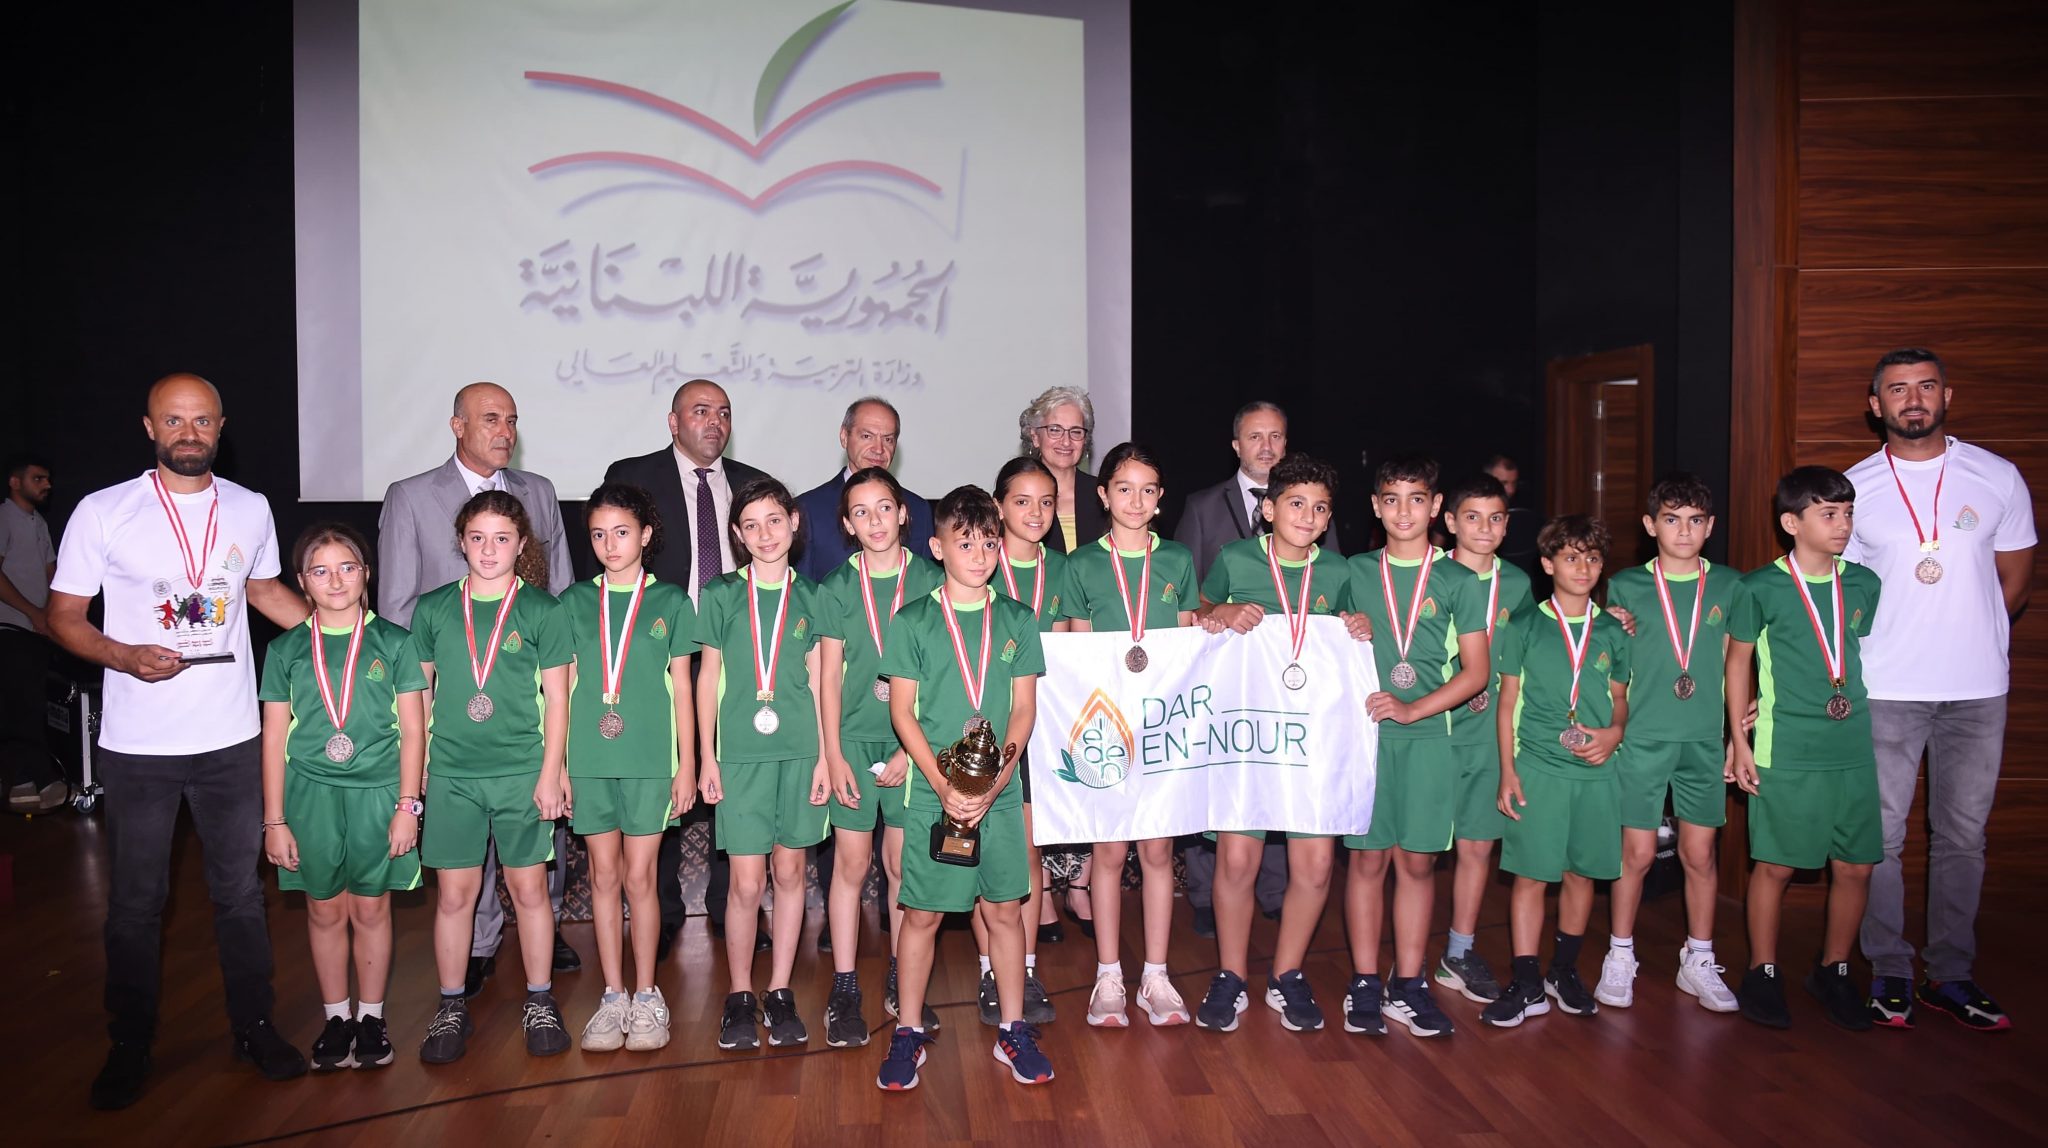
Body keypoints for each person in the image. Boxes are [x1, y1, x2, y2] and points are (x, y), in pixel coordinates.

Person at [48, 373, 313, 1109]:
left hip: (232, 738)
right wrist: (124, 655)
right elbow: (63, 616)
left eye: (201, 421)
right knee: (136, 902)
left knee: (241, 895)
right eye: (173, 420)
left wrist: (348, 639)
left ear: (221, 427)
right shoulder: (104, 511)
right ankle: (130, 1041)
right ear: (149, 427)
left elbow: (263, 591)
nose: (188, 433)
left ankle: (253, 1026)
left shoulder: (250, 507)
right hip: (139, 745)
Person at [1846, 348, 2033, 1032]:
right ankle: (1890, 970)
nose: (1914, 399)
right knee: (1883, 837)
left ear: (1947, 395)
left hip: (1977, 690)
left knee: (1963, 837)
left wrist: (1972, 634)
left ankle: (1951, 974)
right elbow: (1837, 596)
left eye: (1926, 386)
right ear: (1877, 406)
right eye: (1898, 389)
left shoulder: (1997, 476)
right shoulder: (1854, 487)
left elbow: (2015, 579)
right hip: (1887, 687)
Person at [377, 382, 579, 990]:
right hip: (452, 697)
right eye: (490, 419)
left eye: (511, 420)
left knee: (537, 840)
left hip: (526, 692)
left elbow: (561, 591)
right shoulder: (412, 496)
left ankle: (544, 932)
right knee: (462, 865)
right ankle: (481, 941)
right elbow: (396, 607)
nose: (505, 431)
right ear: (456, 425)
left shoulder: (539, 492)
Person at [876, 485, 1051, 1090]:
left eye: (989, 543)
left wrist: (995, 783)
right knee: (921, 915)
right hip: (933, 794)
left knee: (1004, 911)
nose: (979, 556)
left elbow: (1023, 710)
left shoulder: (1018, 619)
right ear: (937, 547)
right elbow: (902, 713)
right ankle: (907, 1031)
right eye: (966, 543)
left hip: (997, 794)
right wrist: (943, 783)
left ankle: (1013, 1028)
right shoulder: (913, 620)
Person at [1193, 452, 1364, 1035]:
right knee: (1237, 860)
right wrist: (1219, 611)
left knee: (1315, 867)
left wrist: (1360, 627)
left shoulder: (1338, 572)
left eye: (1320, 508)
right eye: (1295, 504)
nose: (1307, 517)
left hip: (1313, 742)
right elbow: (1196, 611)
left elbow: (1351, 643)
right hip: (1248, 736)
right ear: (1267, 509)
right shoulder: (1235, 558)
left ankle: (1287, 973)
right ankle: (1231, 974)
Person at [604, 378, 770, 955]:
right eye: (700, 411)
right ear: (673, 422)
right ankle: (665, 909)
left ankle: (732, 905)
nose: (714, 422)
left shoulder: (751, 481)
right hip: (660, 652)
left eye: (723, 412)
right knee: (667, 774)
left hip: (742, 656)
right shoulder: (633, 475)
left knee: (734, 776)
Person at [409, 491, 575, 1063]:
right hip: (453, 774)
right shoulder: (433, 609)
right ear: (460, 540)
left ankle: (540, 998)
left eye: (502, 539)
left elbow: (559, 700)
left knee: (529, 890)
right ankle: (451, 1005)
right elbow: (419, 695)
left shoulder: (542, 610)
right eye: (477, 537)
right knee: (455, 895)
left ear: (521, 544)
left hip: (521, 772)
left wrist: (552, 773)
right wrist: (420, 767)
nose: (488, 549)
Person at [257, 523, 426, 1071]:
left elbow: (414, 732)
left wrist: (408, 806)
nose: (336, 580)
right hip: (310, 795)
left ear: (366, 574)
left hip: (379, 793)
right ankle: (336, 1018)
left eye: (347, 567)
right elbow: (274, 738)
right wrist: (274, 821)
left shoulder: (395, 643)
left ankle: (371, 1017)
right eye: (321, 571)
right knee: (324, 907)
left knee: (372, 906)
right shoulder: (285, 649)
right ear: (302, 582)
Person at [1727, 466, 1883, 1032]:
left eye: (1848, 513)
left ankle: (1834, 970)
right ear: (1791, 523)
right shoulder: (1759, 588)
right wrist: (1739, 740)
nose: (1843, 524)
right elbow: (1737, 663)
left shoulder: (1863, 583)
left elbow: (1859, 653)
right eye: (1828, 514)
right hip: (1786, 747)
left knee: (1856, 865)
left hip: (1852, 744)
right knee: (1775, 864)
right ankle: (1762, 971)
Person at [1174, 402, 1338, 934]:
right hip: (1233, 691)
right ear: (1236, 445)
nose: (1266, 446)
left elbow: (1333, 606)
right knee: (1227, 806)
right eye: (1254, 436)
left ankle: (1274, 892)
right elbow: (1191, 595)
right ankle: (1206, 896)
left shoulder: (1323, 534)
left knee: (1284, 794)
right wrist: (1217, 611)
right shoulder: (1203, 508)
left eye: (1276, 436)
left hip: (1298, 698)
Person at [1343, 457, 1489, 1038]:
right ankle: (1363, 982)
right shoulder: (1354, 571)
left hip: (1429, 738)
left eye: (1417, 498)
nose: (1404, 511)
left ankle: (1408, 983)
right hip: (1364, 737)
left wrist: (1412, 708)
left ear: (1436, 506)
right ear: (1375, 506)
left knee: (1417, 863)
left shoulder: (1459, 580)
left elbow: (1476, 672)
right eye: (1391, 499)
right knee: (1367, 860)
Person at [1060, 444, 1199, 1029]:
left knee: (1158, 851)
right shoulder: (1081, 565)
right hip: (1107, 729)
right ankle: (1109, 974)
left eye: (1147, 490)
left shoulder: (1179, 560)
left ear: (1160, 498)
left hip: (1164, 725)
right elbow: (1076, 652)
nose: (1135, 501)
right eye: (1123, 488)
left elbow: (1188, 648)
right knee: (1110, 852)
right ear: (1103, 495)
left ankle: (1157, 975)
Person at [1595, 475, 1744, 1013]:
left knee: (1699, 854)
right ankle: (1620, 954)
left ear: (1711, 526)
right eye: (1672, 519)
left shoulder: (1730, 585)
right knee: (1635, 854)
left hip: (1702, 739)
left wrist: (1737, 736)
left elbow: (1736, 662)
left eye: (1696, 520)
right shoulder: (1625, 585)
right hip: (1642, 736)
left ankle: (1698, 958)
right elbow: (1608, 660)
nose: (1685, 531)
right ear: (1650, 525)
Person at [560, 484, 699, 1053]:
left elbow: (683, 690)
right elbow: (564, 687)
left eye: (621, 532)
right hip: (589, 759)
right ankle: (612, 994)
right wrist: (559, 766)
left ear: (645, 535)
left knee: (641, 878)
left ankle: (647, 994)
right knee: (602, 876)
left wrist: (687, 764)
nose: (610, 544)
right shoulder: (573, 602)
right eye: (598, 535)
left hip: (650, 760)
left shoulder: (671, 602)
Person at [694, 476, 830, 1051]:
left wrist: (826, 757)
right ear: (736, 534)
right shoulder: (722, 593)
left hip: (799, 753)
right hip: (741, 756)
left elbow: (823, 683)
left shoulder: (816, 596)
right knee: (747, 883)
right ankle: (739, 995)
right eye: (750, 525)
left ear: (794, 522)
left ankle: (780, 991)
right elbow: (706, 678)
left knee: (792, 873)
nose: (765, 534)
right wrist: (707, 756)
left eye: (775, 520)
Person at [1482, 515, 1630, 1027]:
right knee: (1530, 875)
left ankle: (1563, 971)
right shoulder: (1524, 625)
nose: (1583, 567)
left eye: (1592, 558)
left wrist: (1615, 732)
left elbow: (1619, 697)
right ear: (1548, 565)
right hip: (1538, 767)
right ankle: (1526, 981)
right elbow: (1507, 703)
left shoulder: (1613, 629)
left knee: (1581, 873)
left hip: (1595, 769)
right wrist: (1507, 771)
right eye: (1570, 558)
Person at [813, 466, 944, 1046]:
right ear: (847, 524)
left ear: (903, 513)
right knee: (850, 864)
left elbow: (941, 672)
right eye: (861, 512)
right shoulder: (835, 587)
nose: (875, 521)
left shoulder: (933, 580)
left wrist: (911, 752)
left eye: (884, 508)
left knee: (900, 867)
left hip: (912, 742)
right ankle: (844, 986)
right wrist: (832, 754)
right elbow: (828, 678)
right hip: (853, 741)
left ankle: (900, 974)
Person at [1434, 473, 1534, 1006]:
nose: (1485, 528)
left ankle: (1459, 951)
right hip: (1430, 728)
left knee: (1476, 846)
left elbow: (1537, 645)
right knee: (1416, 854)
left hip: (1489, 730)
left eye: (1497, 518)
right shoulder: (1428, 574)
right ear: (1450, 521)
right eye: (1473, 517)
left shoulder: (1516, 583)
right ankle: (1399, 966)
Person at [975, 457, 1068, 1027]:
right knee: (985, 852)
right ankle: (991, 969)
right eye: (1022, 501)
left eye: (1046, 502)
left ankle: (1025, 968)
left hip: (1045, 731)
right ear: (998, 506)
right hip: (986, 730)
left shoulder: (1065, 569)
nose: (1035, 513)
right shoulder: (976, 562)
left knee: (1027, 854)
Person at [795, 398, 934, 583]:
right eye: (867, 436)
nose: (879, 449)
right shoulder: (808, 509)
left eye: (888, 439)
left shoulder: (918, 509)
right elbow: (802, 590)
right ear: (844, 437)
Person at [1, 455, 64, 812]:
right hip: (11, 628)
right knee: (20, 705)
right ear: (15, 482)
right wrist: (33, 612)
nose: (47, 485)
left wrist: (55, 615)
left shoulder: (38, 522)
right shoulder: (4, 517)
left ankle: (25, 781)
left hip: (37, 630)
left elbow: (53, 573)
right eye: (38, 478)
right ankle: (36, 779)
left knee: (32, 703)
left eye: (48, 479)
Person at [1018, 386, 1105, 553]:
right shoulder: (1016, 496)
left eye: (1076, 432)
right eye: (1055, 430)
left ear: (1085, 440)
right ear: (1035, 437)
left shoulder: (1104, 495)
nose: (1066, 442)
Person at [1486, 453, 1542, 573]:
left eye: (1514, 483)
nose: (1510, 490)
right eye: (1504, 483)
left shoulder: (1527, 508)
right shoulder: (1469, 507)